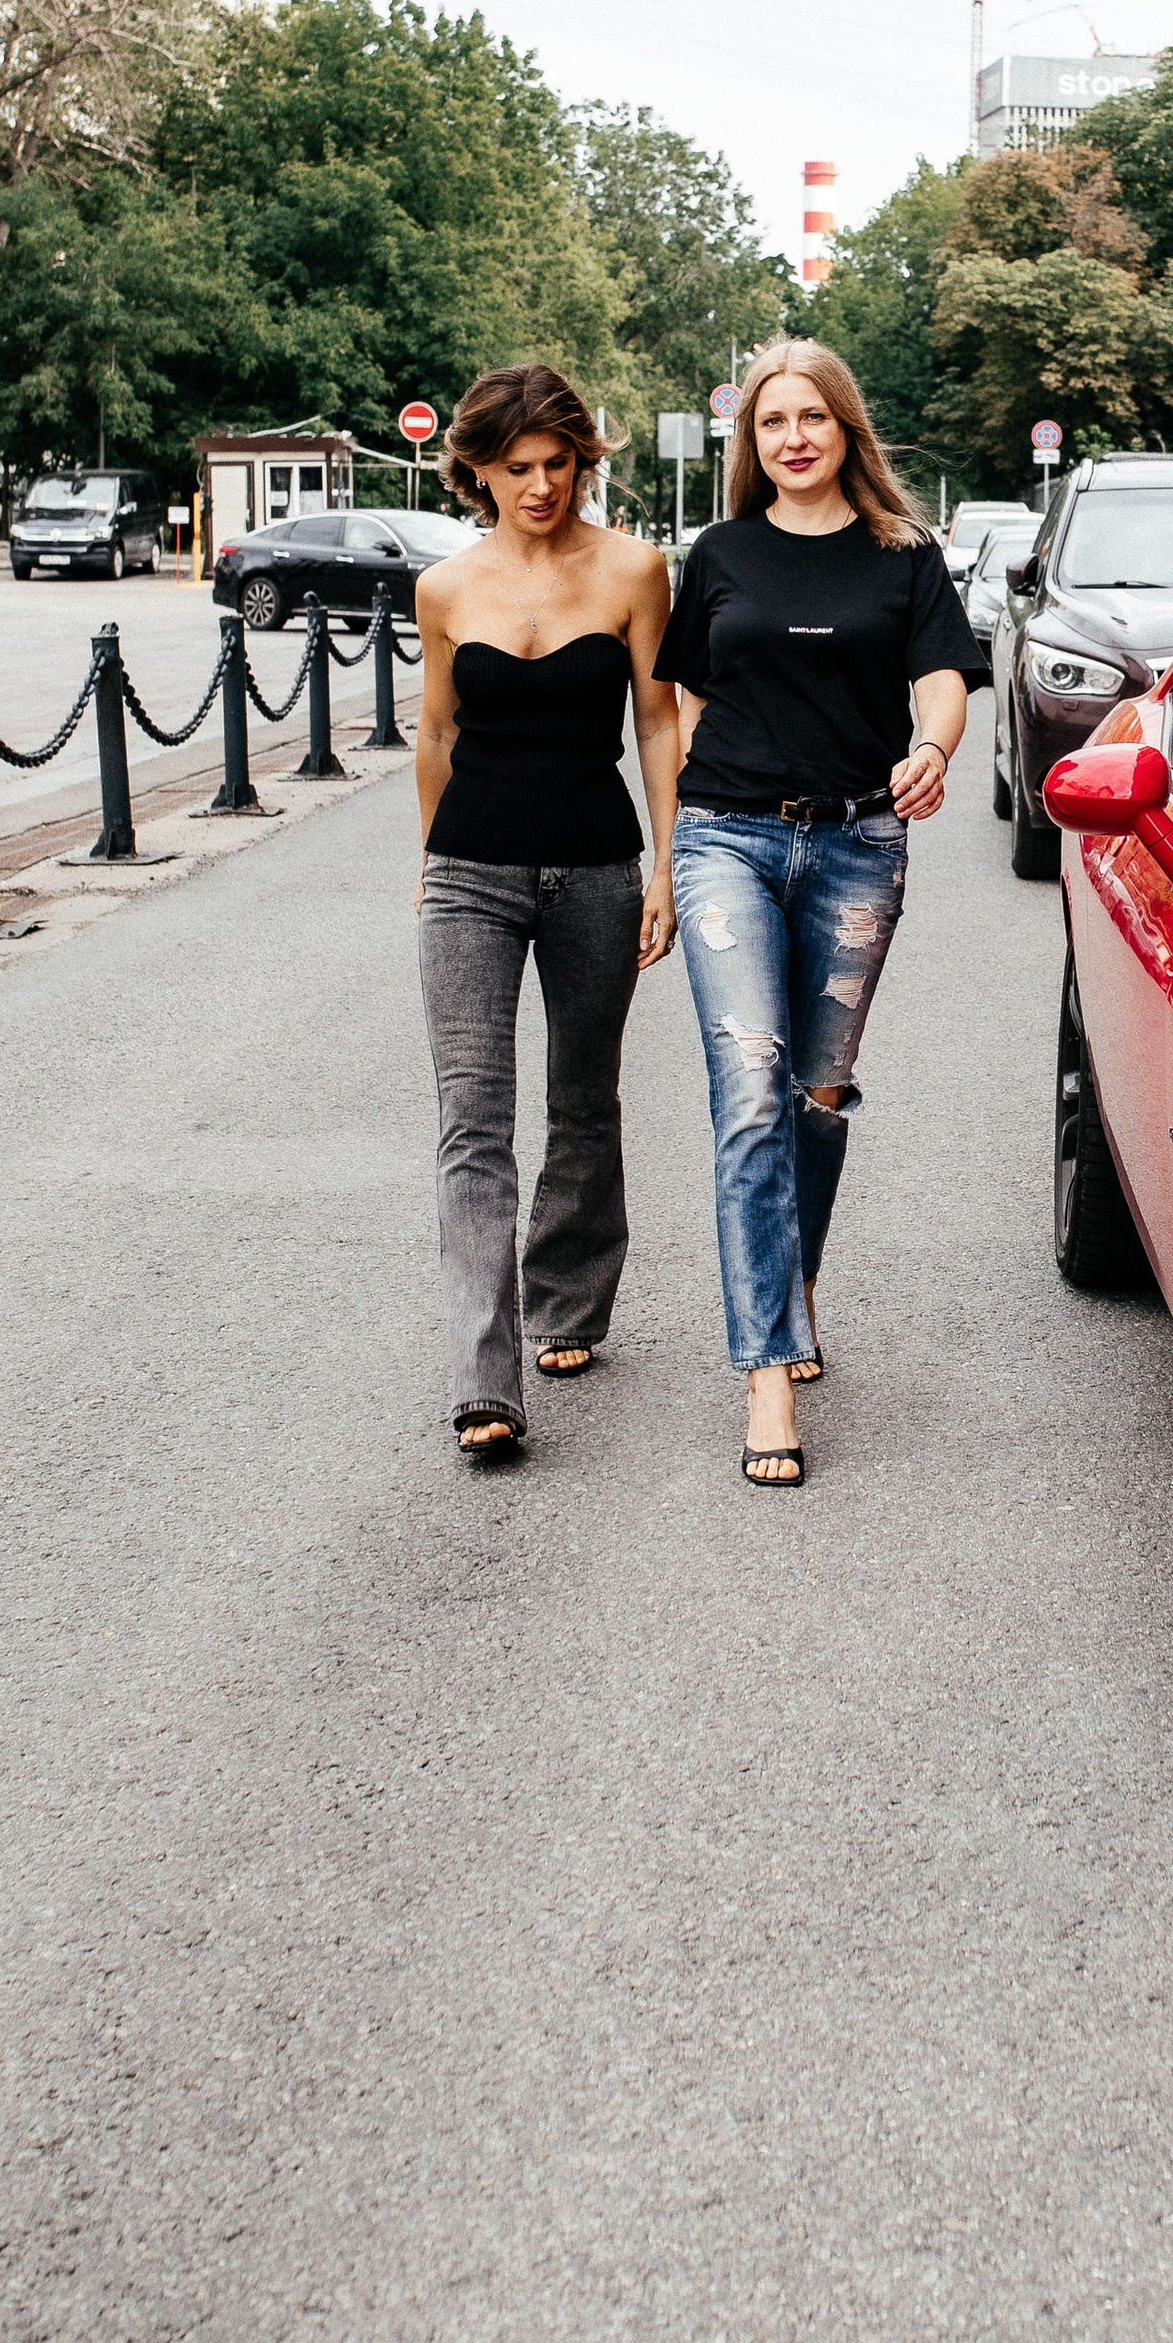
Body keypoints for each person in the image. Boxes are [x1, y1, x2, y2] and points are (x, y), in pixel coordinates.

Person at [656, 337, 981, 1489]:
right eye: (771, 422)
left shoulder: (904, 554)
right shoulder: (721, 552)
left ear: (846, 430)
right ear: (751, 440)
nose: (792, 438)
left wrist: (931, 749)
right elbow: (685, 689)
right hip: (728, 839)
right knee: (748, 1084)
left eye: (812, 419)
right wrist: (696, 803)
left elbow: (941, 675)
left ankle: (787, 1296)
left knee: (816, 1095)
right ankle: (765, 1373)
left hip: (855, 847)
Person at [414, 363, 679, 1464]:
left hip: (597, 870)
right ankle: (487, 1375)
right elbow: (435, 738)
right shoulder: (445, 587)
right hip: (469, 873)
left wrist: (668, 868)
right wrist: (433, 869)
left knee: (583, 1102)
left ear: (582, 460)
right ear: (478, 470)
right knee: (473, 1124)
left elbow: (659, 723)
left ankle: (569, 1299)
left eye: (557, 464)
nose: (539, 486)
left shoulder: (632, 570)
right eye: (516, 468)